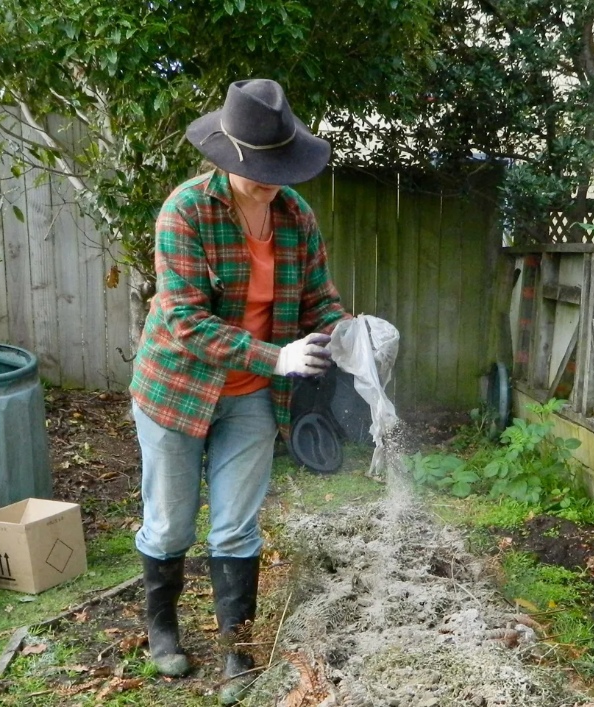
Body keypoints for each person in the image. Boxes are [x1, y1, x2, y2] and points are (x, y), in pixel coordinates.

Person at [128, 78, 349, 703]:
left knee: (236, 526)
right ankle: (163, 629)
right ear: (224, 155)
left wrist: (350, 333)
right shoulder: (185, 210)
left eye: (281, 168)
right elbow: (184, 320)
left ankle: (236, 647)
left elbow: (318, 298)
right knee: (170, 523)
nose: (271, 181)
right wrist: (275, 354)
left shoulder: (295, 216)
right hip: (176, 388)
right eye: (259, 170)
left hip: (254, 393)